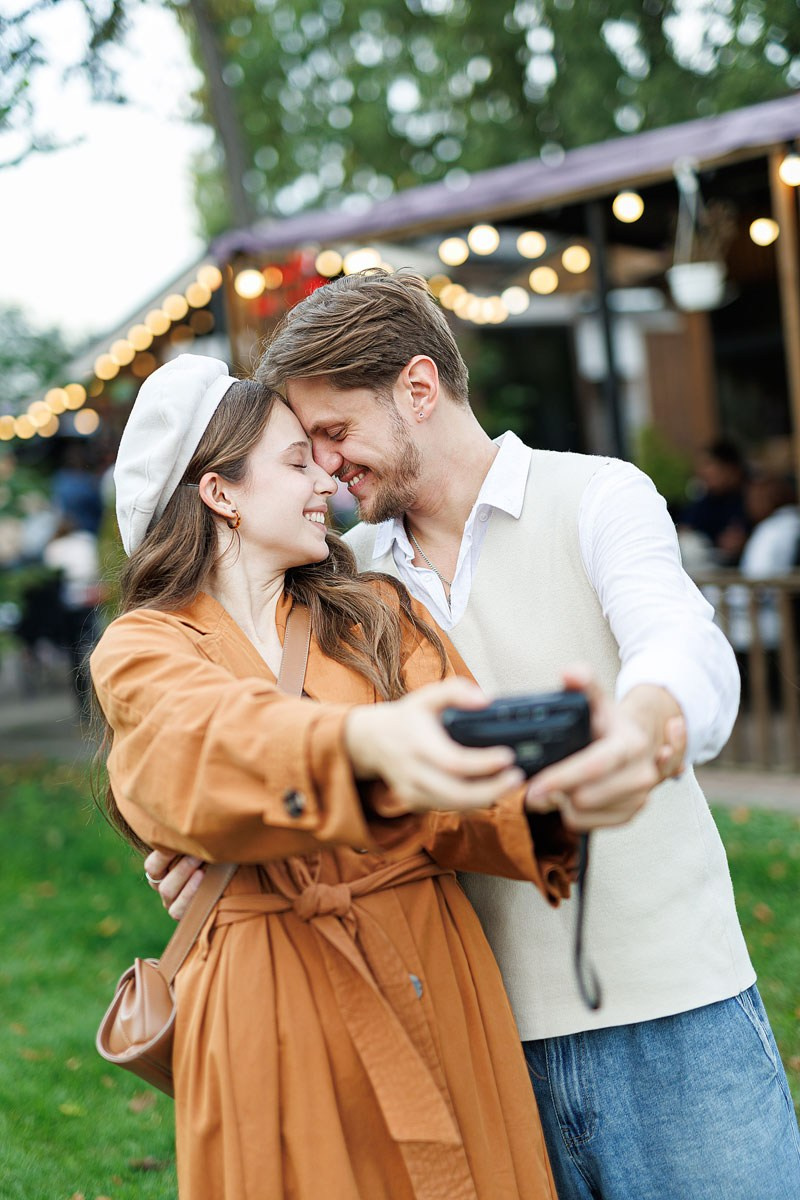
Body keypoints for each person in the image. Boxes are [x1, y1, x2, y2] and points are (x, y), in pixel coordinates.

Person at [153, 270, 800, 1198]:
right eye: (309, 446)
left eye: (334, 434)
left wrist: (648, 726)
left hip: (676, 1017)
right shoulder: (344, 577)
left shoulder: (598, 495)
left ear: (419, 389)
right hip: (481, 1041)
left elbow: (681, 641)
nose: (325, 469)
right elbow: (266, 736)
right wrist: (217, 846)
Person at [91, 352, 597, 1200]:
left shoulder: (374, 613)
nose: (326, 474)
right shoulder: (145, 646)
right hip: (267, 997)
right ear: (221, 493)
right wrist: (366, 748)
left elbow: (456, 776)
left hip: (427, 964)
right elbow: (186, 753)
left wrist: (544, 790)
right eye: (296, 460)